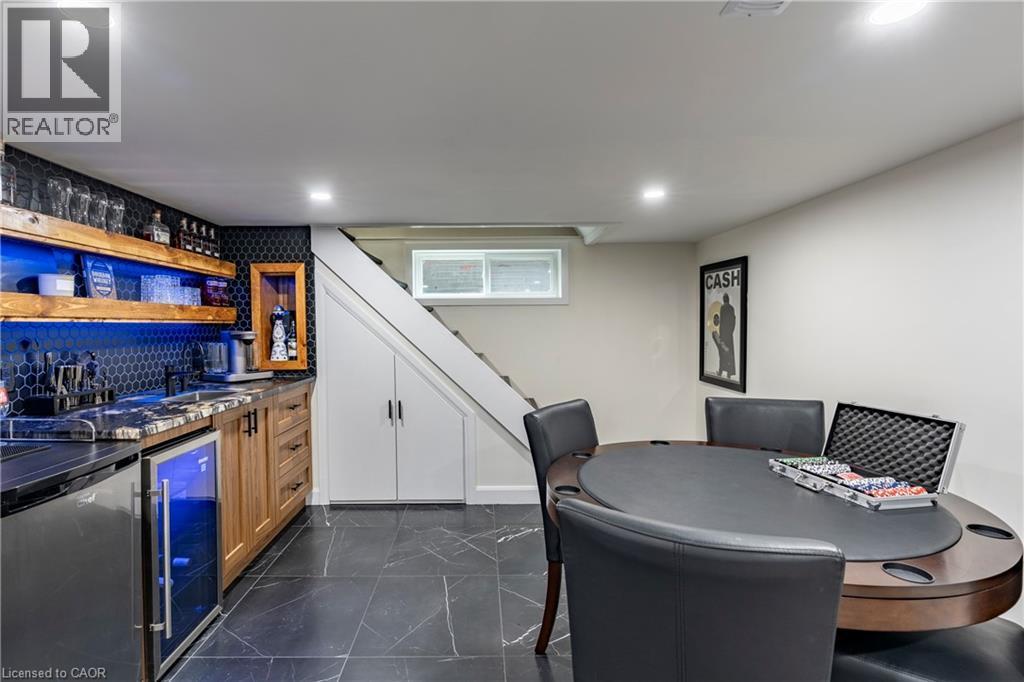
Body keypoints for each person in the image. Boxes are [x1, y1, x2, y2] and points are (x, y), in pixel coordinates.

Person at [716, 293, 736, 378]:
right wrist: (731, 331)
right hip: (729, 335)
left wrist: (720, 334)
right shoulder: (732, 308)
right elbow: (733, 321)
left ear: (724, 299)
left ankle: (720, 371)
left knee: (722, 353)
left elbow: (722, 322)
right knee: (730, 354)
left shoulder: (723, 307)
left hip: (724, 335)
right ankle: (729, 373)